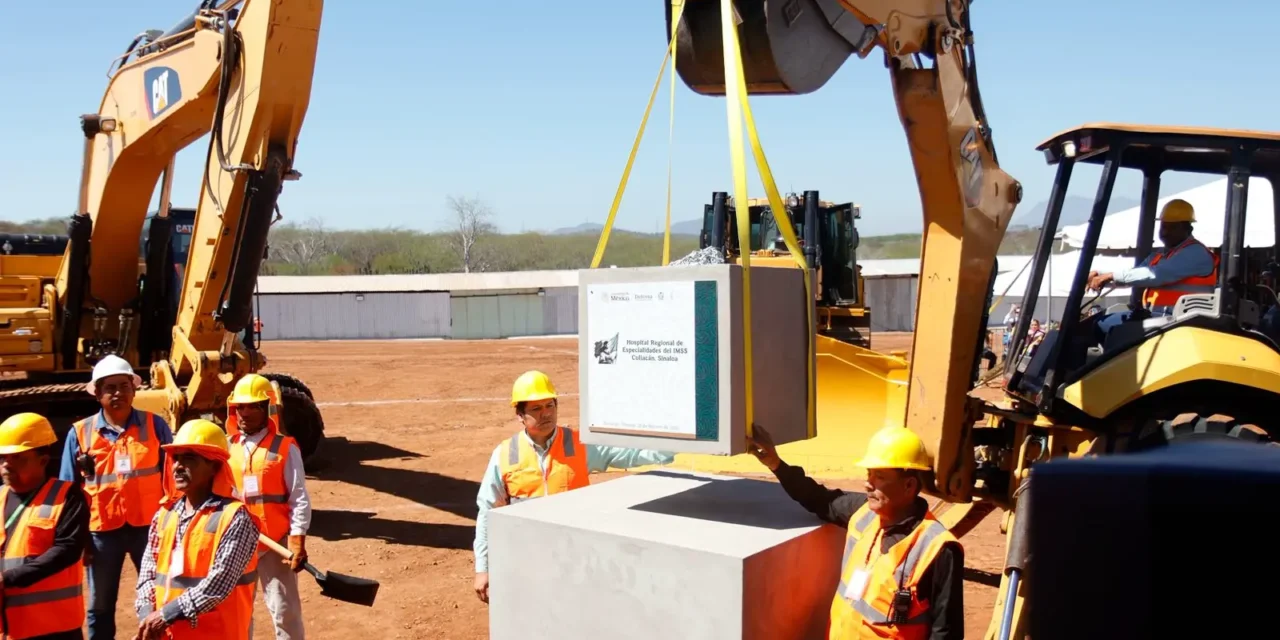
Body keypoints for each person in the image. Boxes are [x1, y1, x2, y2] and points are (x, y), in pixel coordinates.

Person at [472, 370, 678, 603]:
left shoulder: (579, 444)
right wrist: (483, 568)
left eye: (550, 405)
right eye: (536, 409)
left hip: (575, 557)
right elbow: (487, 512)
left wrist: (674, 445)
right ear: (520, 415)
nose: (546, 414)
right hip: (527, 557)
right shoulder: (505, 454)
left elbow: (629, 453)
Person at [747, 424, 963, 639]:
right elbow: (817, 498)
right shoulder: (863, 514)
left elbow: (946, 633)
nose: (867, 483)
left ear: (909, 485)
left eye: (879, 476)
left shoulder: (937, 548)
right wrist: (776, 464)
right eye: (869, 474)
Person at [60, 355, 174, 640]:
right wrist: (78, 538)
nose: (118, 393)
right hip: (100, 534)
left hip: (150, 531)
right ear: (97, 393)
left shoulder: (156, 426)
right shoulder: (80, 433)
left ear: (134, 390)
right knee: (99, 606)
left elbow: (175, 479)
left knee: (155, 598)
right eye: (109, 387)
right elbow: (68, 492)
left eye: (124, 386)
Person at [134, 419, 261, 640]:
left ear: (214, 466)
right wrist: (147, 616)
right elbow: (147, 575)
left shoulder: (234, 517)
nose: (177, 466)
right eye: (176, 458)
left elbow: (218, 584)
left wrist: (164, 615)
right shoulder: (164, 515)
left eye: (189, 458)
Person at [225, 374, 311, 640]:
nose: (245, 413)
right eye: (240, 406)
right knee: (238, 613)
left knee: (285, 612)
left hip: (276, 544)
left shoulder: (285, 448)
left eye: (253, 406)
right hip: (237, 544)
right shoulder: (226, 449)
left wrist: (296, 541)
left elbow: (299, 497)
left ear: (267, 408)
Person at [0, 413, 91, 640]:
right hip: (9, 628)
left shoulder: (67, 497)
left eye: (18, 457)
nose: (6, 465)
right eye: (3, 458)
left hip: (54, 628)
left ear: (43, 459)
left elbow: (67, 550)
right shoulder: (0, 497)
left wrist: (8, 578)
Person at [1087, 198, 1219, 338]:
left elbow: (1157, 275)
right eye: (1163, 226)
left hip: (1181, 321)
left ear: (1188, 229)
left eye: (1173, 227)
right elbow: (1136, 275)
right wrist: (1099, 275)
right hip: (1159, 316)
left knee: (1108, 327)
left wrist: (1110, 275)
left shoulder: (1195, 253)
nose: (1166, 232)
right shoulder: (1163, 254)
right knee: (1100, 323)